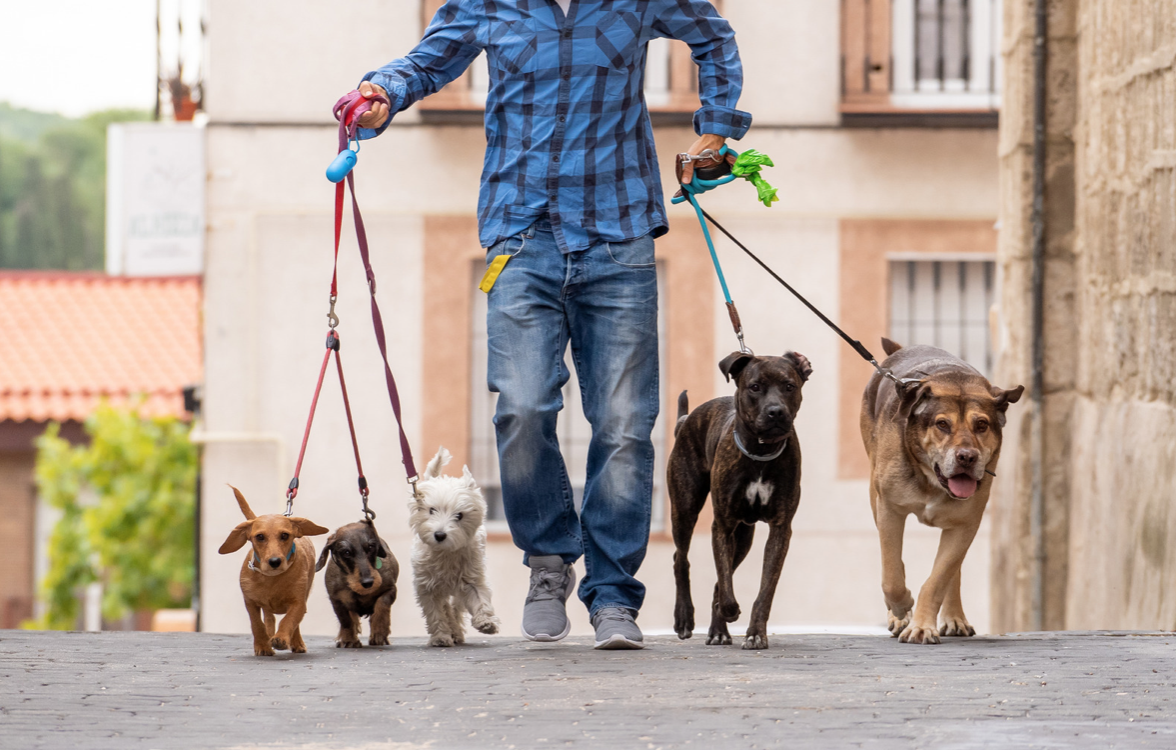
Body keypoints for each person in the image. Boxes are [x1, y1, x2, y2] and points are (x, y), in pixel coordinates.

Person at [352, 0, 750, 649]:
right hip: (519, 235)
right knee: (523, 407)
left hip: (617, 236)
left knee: (624, 424)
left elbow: (711, 33)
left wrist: (717, 127)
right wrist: (381, 94)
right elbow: (429, 62)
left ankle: (614, 592)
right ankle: (549, 559)